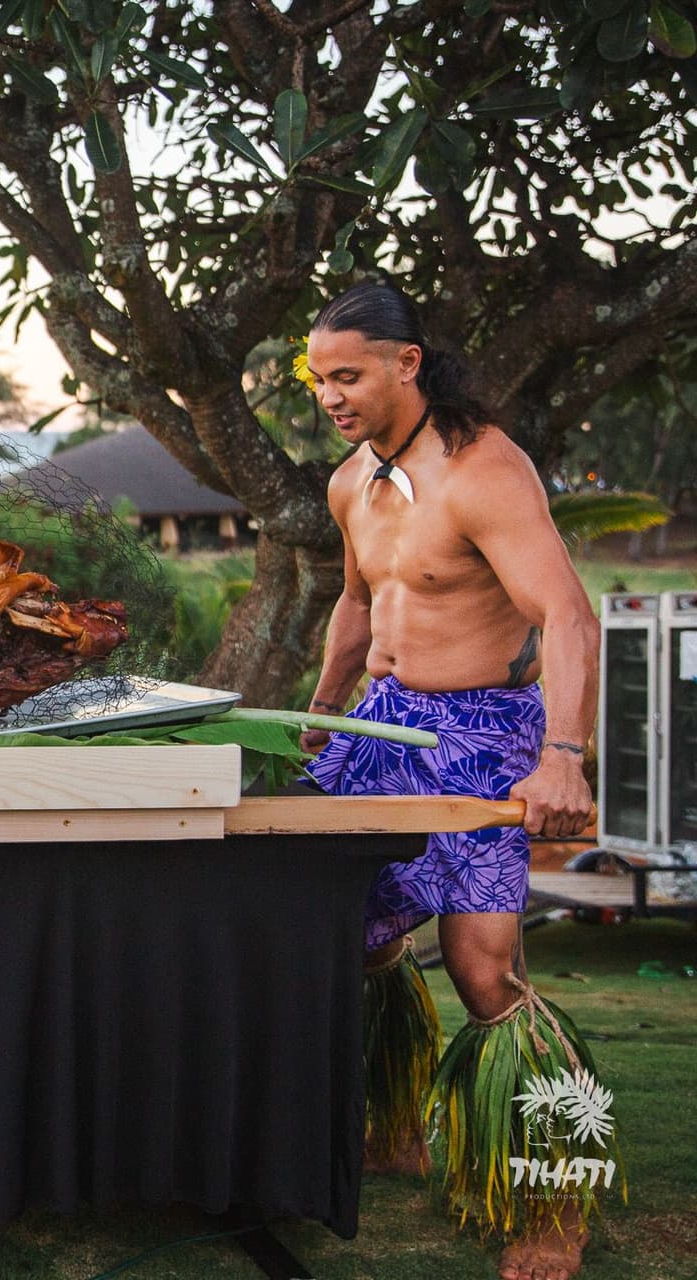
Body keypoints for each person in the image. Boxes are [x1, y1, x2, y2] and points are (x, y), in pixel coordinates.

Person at [298, 282, 609, 1280]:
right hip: (379, 725)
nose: (330, 396)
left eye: (348, 376)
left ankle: (555, 1198)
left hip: (481, 734)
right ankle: (395, 1126)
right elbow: (359, 604)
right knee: (353, 934)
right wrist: (321, 712)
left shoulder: (485, 470)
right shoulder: (351, 482)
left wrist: (564, 753)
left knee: (484, 975)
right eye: (318, 380)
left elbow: (567, 616)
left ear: (407, 363)